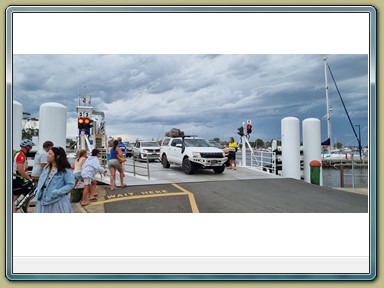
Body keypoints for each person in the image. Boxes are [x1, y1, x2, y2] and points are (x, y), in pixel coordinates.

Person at [34, 146, 75, 213]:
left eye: (50, 154)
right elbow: (41, 181)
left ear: (57, 156)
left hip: (57, 202)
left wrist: (57, 192)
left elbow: (70, 184)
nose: (47, 156)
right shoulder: (46, 168)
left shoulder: (65, 170)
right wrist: (37, 190)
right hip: (43, 201)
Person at [13, 139, 36, 212]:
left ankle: (20, 205)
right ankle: (15, 208)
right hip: (17, 179)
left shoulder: (22, 155)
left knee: (17, 197)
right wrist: (29, 178)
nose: (31, 149)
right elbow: (20, 169)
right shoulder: (21, 155)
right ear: (27, 147)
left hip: (19, 179)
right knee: (29, 189)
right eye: (30, 147)